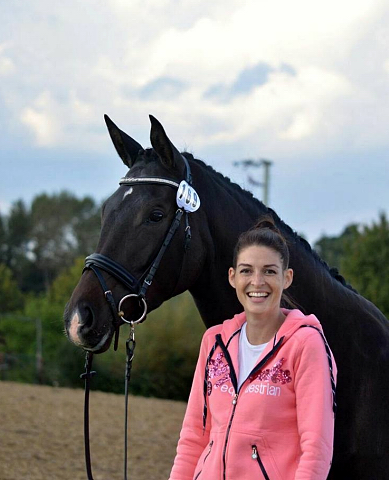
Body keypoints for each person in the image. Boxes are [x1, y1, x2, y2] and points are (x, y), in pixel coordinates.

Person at [169, 218, 337, 480]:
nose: (257, 282)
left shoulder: (306, 344)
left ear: (287, 277)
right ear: (233, 277)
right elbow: (193, 437)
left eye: (269, 271)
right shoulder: (213, 342)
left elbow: (316, 449)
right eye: (247, 271)